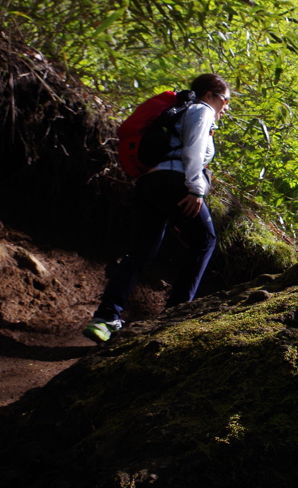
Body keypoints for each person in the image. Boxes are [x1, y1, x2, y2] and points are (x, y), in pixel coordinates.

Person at [82, 73, 230, 344]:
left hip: (148, 183)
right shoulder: (201, 110)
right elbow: (194, 150)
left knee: (139, 253)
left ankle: (105, 318)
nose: (226, 106)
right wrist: (196, 189)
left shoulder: (179, 111)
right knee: (205, 240)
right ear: (210, 95)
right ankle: (175, 315)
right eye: (225, 99)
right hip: (174, 182)